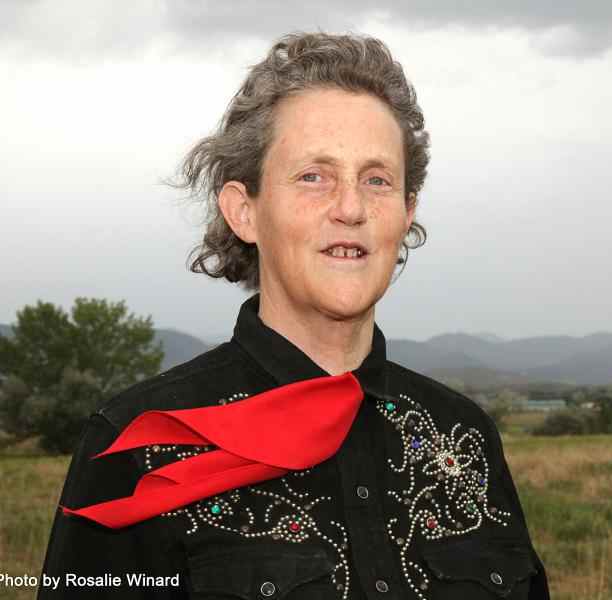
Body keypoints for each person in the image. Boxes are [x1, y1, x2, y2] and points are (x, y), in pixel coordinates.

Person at [37, 31, 550, 599]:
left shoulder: (464, 435)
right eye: (313, 176)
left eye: (377, 180)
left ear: (406, 213)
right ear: (244, 212)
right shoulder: (139, 443)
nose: (351, 208)